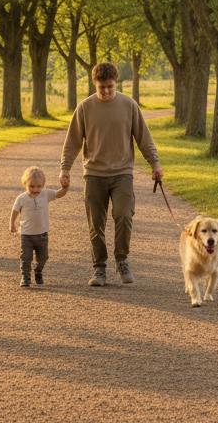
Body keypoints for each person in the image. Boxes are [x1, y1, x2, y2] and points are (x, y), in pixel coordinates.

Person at [59, 61, 163, 286]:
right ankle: (99, 268)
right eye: (101, 87)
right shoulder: (85, 108)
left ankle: (122, 259)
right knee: (95, 223)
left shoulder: (129, 105)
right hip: (94, 174)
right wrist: (65, 169)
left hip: (122, 173)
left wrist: (155, 164)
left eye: (110, 87)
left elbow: (144, 138)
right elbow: (72, 142)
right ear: (94, 84)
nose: (106, 91)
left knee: (124, 215)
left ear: (116, 83)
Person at [9, 166, 67, 288]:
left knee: (43, 257)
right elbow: (15, 211)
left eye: (39, 186)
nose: (35, 189)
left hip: (42, 235)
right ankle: (25, 277)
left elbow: (59, 194)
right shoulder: (21, 198)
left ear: (43, 185)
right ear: (25, 184)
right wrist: (12, 223)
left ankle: (38, 271)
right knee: (26, 257)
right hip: (26, 235)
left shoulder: (46, 194)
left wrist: (65, 187)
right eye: (32, 186)